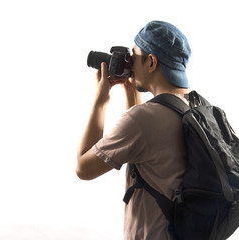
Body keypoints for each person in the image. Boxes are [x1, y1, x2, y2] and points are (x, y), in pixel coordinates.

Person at [76, 20, 192, 240]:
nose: (130, 62)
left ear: (151, 62)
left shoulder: (144, 120)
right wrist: (131, 89)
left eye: (134, 56)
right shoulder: (197, 107)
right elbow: (143, 148)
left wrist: (101, 101)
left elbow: (83, 168)